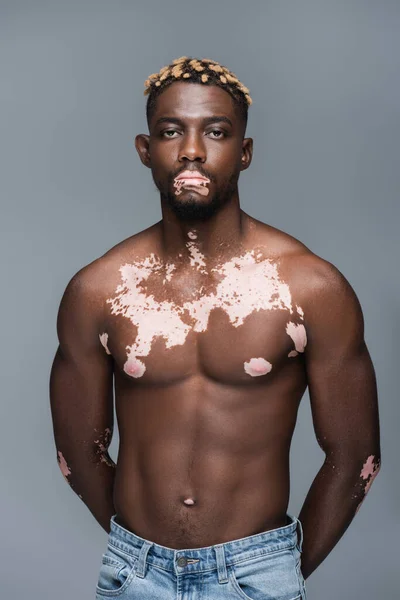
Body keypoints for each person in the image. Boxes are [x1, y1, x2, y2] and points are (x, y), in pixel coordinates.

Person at [49, 56, 381, 600]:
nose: (193, 150)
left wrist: (281, 572)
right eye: (171, 131)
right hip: (135, 573)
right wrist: (141, 551)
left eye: (217, 132)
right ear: (144, 149)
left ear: (244, 153)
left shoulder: (309, 288)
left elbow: (356, 456)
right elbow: (77, 453)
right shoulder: (101, 290)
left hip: (260, 571)